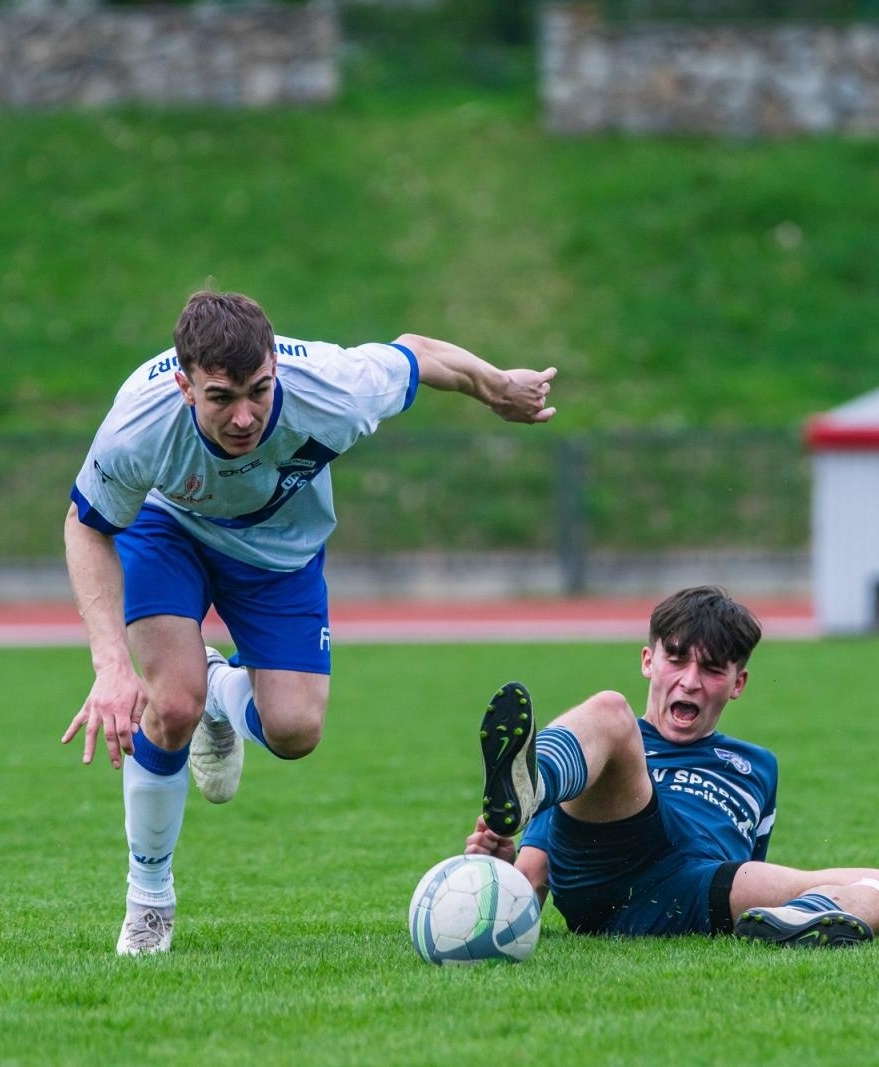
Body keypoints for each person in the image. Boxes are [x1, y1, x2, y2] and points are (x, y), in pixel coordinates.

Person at [63, 288, 556, 955]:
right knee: (172, 704)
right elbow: (85, 525)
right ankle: (149, 901)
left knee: (295, 730)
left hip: (279, 553)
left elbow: (417, 353)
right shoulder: (139, 424)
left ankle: (217, 691)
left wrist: (498, 388)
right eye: (221, 398)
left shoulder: (333, 388)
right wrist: (110, 666)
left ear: (275, 368)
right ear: (185, 386)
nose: (244, 416)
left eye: (259, 392)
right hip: (169, 527)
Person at [467, 585, 879, 947]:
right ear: (649, 661)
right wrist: (502, 874)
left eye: (712, 669)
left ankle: (806, 918)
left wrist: (850, 896)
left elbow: (749, 868)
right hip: (608, 867)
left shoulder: (759, 766)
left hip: (697, 887)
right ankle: (533, 784)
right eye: (676, 659)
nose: (690, 681)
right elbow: (532, 877)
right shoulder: (602, 748)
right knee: (609, 708)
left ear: (738, 683)